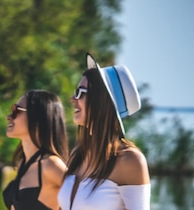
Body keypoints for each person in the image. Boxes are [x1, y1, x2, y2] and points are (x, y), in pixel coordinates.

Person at [57, 54, 150, 210]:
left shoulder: (130, 160)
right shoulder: (77, 155)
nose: (73, 99)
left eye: (81, 93)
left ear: (103, 101)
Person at [1, 90, 69, 210]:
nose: (9, 117)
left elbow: (83, 201)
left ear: (38, 118)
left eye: (17, 110)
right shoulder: (22, 162)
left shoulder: (51, 165)